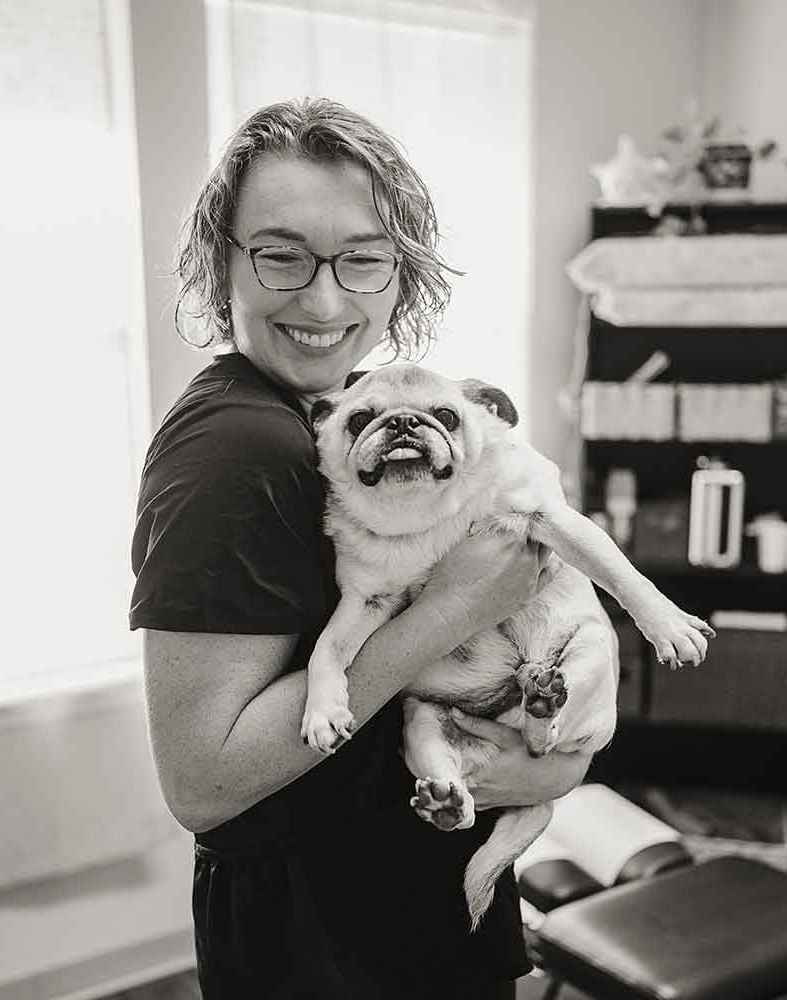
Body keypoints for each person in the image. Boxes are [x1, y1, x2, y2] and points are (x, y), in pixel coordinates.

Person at [130, 98, 595, 1000]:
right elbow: (202, 781)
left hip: (402, 902)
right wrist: (461, 607)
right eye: (281, 253)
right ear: (220, 257)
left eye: (363, 258)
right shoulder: (238, 452)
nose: (325, 298)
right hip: (333, 944)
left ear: (401, 273)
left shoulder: (335, 413)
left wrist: (543, 755)